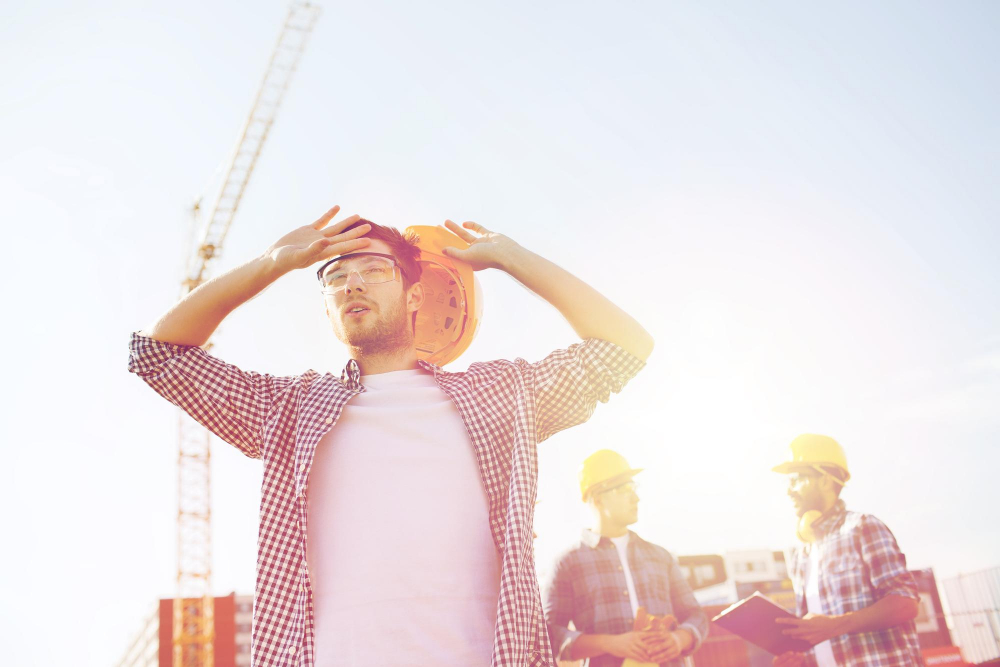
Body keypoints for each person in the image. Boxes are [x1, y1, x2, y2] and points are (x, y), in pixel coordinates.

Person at [128, 206, 654, 667]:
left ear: (414, 293)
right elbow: (155, 355)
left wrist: (512, 258)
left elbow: (625, 346)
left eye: (375, 270)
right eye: (336, 276)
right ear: (329, 310)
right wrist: (272, 262)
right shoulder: (289, 410)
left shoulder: (498, 398)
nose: (353, 284)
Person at [543, 449, 706, 666]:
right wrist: (609, 643)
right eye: (625, 489)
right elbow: (549, 635)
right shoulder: (567, 563)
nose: (636, 497)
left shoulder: (661, 557)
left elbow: (696, 615)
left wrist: (679, 639)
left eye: (634, 487)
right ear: (598, 498)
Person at [771, 434, 922, 667]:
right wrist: (799, 661)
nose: (789, 491)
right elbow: (818, 637)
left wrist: (836, 625)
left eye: (796, 480)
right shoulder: (801, 557)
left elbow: (906, 603)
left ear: (824, 480)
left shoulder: (862, 527)